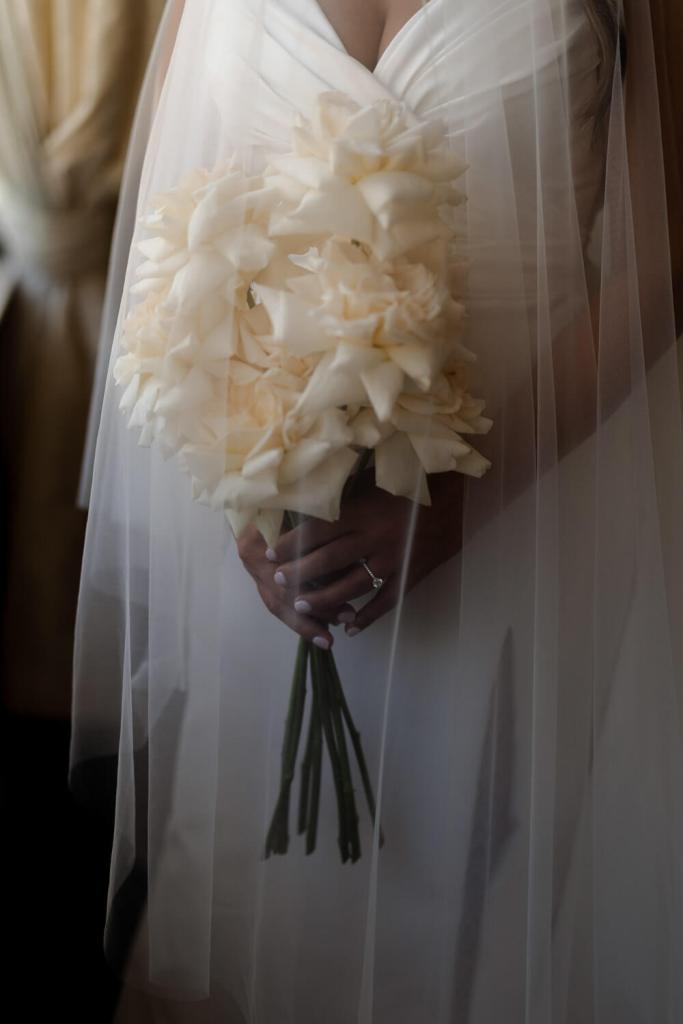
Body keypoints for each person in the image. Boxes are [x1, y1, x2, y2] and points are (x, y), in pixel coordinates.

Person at [72, 1, 683, 1021]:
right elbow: (171, 219)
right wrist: (245, 477)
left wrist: (462, 503)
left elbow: (666, 239)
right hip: (276, 564)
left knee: (483, 933)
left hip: (526, 531)